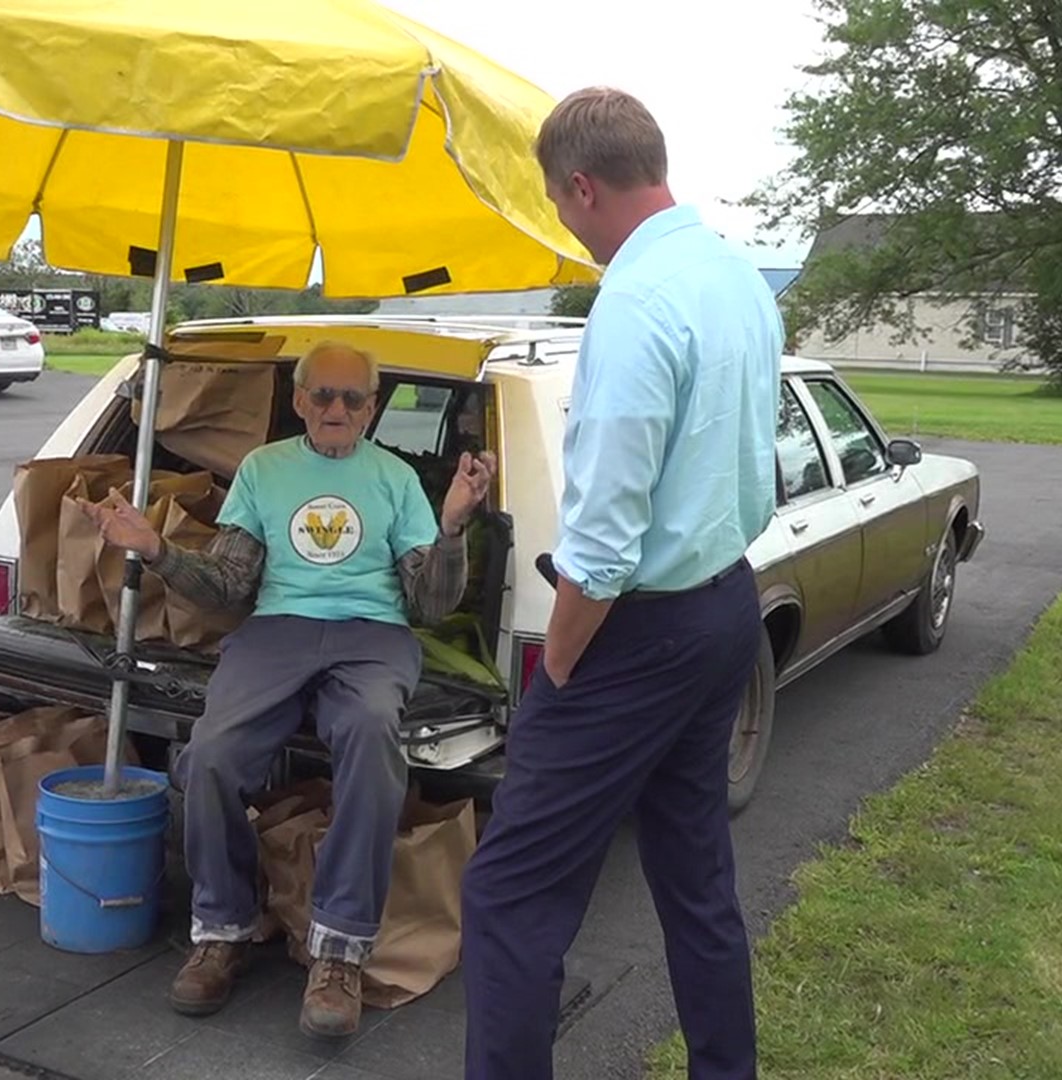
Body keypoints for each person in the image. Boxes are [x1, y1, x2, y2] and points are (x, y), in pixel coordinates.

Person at [459, 87, 781, 1080]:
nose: (565, 223)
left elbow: (601, 539)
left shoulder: (635, 305)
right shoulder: (738, 276)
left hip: (633, 633)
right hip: (727, 603)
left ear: (584, 186)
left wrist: (557, 665)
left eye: (559, 204)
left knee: (511, 896)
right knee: (694, 875)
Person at [78, 341, 497, 1039]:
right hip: (276, 632)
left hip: (372, 636)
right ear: (300, 401)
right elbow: (229, 587)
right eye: (322, 396)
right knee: (209, 755)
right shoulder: (263, 470)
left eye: (352, 398)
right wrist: (155, 549)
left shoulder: (395, 479)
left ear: (370, 406)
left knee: (369, 737)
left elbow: (429, 603)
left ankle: (339, 950)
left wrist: (452, 527)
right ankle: (225, 928)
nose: (336, 409)